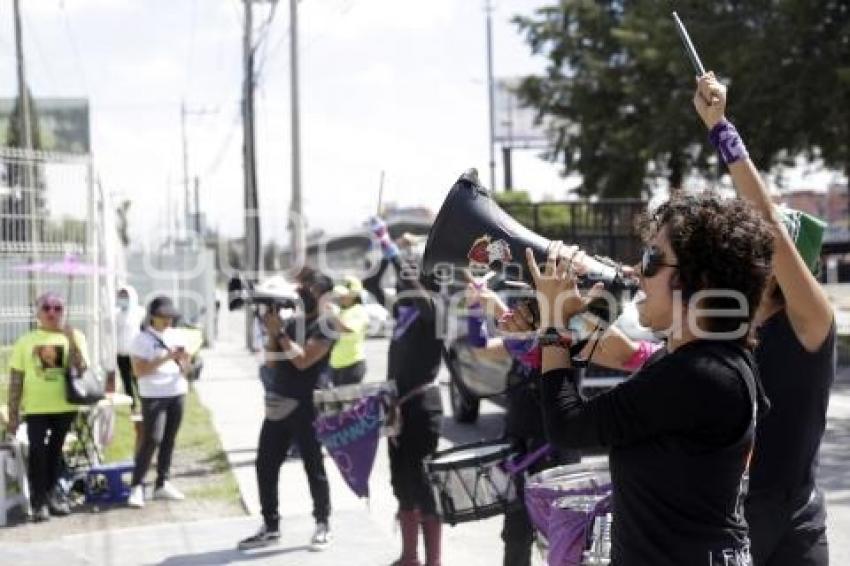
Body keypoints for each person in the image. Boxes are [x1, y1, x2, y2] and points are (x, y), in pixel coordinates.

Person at [502, 193, 775, 565]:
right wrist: (564, 319)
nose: (637, 270)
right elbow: (588, 352)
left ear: (701, 279)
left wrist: (553, 325)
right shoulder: (699, 361)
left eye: (651, 260)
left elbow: (569, 425)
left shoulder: (700, 376)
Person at [694, 72, 835, 566]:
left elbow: (770, 226)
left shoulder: (812, 323)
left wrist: (722, 131)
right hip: (737, 520)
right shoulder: (732, 324)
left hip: (795, 527)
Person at [466, 277, 653, 566]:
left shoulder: (567, 339)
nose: (520, 316)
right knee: (515, 533)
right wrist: (475, 309)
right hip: (519, 447)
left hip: (555, 451)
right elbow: (480, 348)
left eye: (529, 310)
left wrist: (496, 306)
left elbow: (539, 345)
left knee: (561, 537)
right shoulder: (520, 343)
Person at [237, 270, 336, 552]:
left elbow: (304, 361)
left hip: (308, 407)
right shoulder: (292, 323)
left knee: (313, 466)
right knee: (264, 465)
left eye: (311, 289)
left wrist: (278, 333)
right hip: (279, 405)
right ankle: (270, 525)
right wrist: (272, 333)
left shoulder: (326, 326)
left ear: (323, 295)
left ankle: (322, 523)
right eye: (303, 287)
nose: (304, 292)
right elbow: (271, 363)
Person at [6, 292, 89, 521]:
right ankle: (38, 501)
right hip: (36, 408)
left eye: (58, 308)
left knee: (56, 452)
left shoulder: (75, 336)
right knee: (37, 453)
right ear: (37, 313)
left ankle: (53, 497)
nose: (52, 312)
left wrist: (70, 339)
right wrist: (13, 414)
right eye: (47, 308)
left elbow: (81, 369)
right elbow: (16, 379)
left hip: (64, 405)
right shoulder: (26, 341)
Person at [385, 247, 444, 566]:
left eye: (408, 276)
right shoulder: (403, 312)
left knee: (423, 485)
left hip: (424, 408)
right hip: (398, 409)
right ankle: (410, 557)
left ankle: (433, 561)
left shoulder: (435, 308)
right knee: (401, 482)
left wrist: (390, 249)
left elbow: (418, 293)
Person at [127, 295, 190, 508]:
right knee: (152, 438)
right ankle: (137, 485)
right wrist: (165, 357)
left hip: (177, 390)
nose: (168, 321)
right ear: (152, 317)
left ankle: (163, 482)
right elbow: (139, 371)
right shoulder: (141, 339)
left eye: (171, 317)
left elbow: (187, 369)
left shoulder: (177, 334)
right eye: (163, 317)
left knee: (169, 439)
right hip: (153, 394)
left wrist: (185, 361)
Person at [326, 275, 370, 386]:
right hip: (334, 365)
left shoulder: (359, 311)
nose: (340, 296)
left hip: (352, 365)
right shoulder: (340, 310)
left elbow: (347, 329)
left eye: (344, 294)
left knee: (349, 403)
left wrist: (332, 315)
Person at [115, 285, 145, 411]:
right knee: (126, 380)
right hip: (121, 353)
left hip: (135, 353)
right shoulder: (116, 314)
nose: (123, 299)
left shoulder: (140, 312)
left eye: (125, 296)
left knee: (137, 379)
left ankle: (144, 403)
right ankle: (132, 406)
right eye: (121, 296)